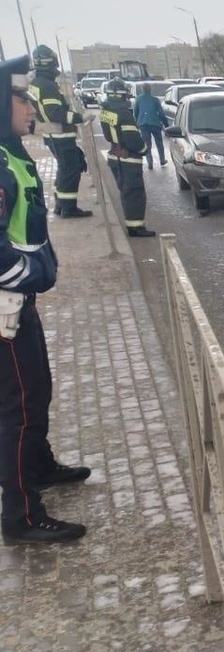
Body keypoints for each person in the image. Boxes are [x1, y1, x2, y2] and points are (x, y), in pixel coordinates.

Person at [0, 55, 91, 546]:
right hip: (5, 305)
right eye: (21, 100)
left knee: (37, 392)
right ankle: (21, 513)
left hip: (20, 302)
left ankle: (37, 466)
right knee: (15, 411)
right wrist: (29, 274)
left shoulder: (11, 152)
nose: (30, 109)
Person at [27, 44, 92, 218]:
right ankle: (68, 209)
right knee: (70, 169)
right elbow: (55, 113)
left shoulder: (37, 82)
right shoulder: (46, 85)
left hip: (53, 135)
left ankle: (60, 205)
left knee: (65, 168)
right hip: (60, 134)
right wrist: (81, 117)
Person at [99, 78, 155, 237]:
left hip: (115, 156)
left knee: (126, 193)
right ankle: (136, 228)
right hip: (128, 159)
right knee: (135, 194)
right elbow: (133, 140)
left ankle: (133, 225)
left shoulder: (106, 110)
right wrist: (144, 149)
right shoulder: (124, 114)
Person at [134, 83, 168, 170]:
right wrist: (166, 124)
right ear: (150, 90)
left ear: (142, 89)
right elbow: (161, 113)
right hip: (155, 123)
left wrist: (137, 122)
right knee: (159, 142)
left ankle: (150, 163)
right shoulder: (155, 100)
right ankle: (162, 160)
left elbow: (136, 112)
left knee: (147, 144)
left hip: (143, 124)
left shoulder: (138, 99)